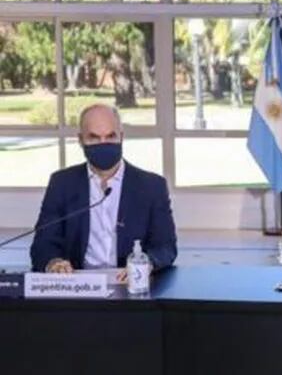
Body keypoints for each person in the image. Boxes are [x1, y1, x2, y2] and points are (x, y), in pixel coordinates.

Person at [30, 103, 178, 276]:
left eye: (110, 136)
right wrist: (53, 263)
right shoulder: (62, 183)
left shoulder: (152, 186)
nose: (103, 144)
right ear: (80, 140)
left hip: (132, 286)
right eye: (94, 138)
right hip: (78, 287)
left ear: (121, 137)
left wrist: (145, 265)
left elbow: (165, 247)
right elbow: (43, 243)